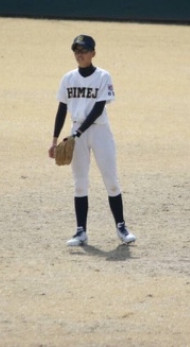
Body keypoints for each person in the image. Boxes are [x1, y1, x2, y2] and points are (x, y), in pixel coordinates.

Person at [48, 34, 136, 246]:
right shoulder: (68, 78)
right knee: (79, 183)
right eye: (76, 51)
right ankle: (81, 232)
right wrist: (54, 140)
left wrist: (77, 133)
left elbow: (98, 109)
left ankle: (121, 227)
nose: (79, 54)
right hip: (76, 131)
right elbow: (62, 109)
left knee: (111, 180)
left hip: (99, 131)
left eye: (84, 51)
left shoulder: (103, 76)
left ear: (93, 53)